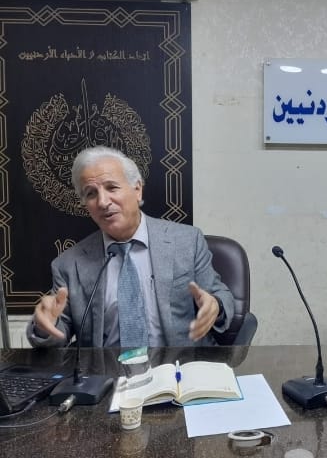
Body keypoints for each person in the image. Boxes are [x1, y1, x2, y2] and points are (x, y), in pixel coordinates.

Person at [27, 145, 235, 347]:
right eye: (91, 193)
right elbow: (56, 332)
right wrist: (45, 326)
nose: (102, 202)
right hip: (107, 367)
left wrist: (215, 306)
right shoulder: (68, 264)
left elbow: (220, 295)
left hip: (177, 364)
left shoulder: (187, 240)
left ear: (137, 189)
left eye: (112, 187)